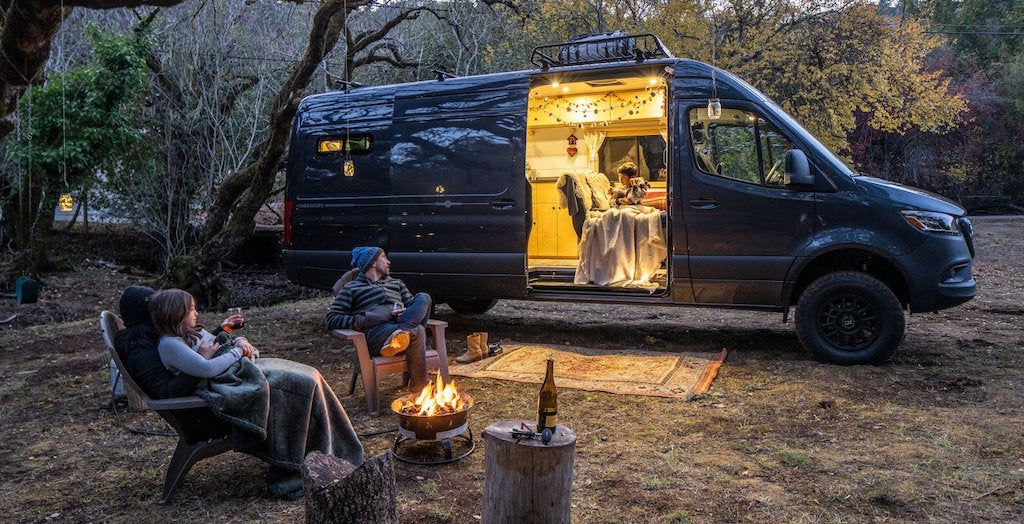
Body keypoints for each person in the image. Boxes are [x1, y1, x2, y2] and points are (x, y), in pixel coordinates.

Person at [115, 285, 238, 442]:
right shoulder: (141, 351)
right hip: (202, 416)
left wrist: (223, 331)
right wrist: (202, 363)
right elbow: (167, 392)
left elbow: (189, 355)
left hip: (207, 403)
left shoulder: (155, 336)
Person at [325, 246, 432, 393]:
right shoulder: (351, 288)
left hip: (401, 328)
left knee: (423, 297)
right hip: (377, 336)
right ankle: (420, 391)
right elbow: (331, 319)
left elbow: (413, 307)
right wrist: (364, 319)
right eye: (384, 258)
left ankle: (402, 332)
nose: (389, 262)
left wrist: (406, 311)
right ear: (373, 262)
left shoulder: (396, 283)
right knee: (418, 330)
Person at [148, 288, 256, 378]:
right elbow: (208, 369)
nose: (196, 313)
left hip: (235, 368)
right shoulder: (170, 344)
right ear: (176, 313)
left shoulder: (192, 332)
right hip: (221, 380)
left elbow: (220, 344)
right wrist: (239, 351)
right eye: (192, 309)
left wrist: (240, 341)